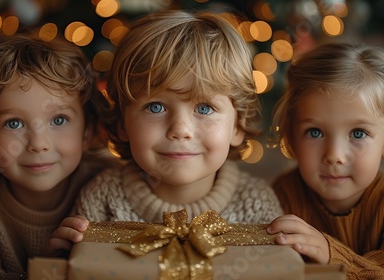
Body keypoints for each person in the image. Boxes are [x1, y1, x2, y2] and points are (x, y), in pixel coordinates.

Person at [46, 9, 284, 255]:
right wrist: (61, 259)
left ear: (237, 126)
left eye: (204, 108)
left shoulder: (257, 203)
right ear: (122, 123)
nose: (180, 130)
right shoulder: (102, 199)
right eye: (155, 107)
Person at [0, 31, 119, 279]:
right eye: (14, 124)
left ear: (86, 132)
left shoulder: (111, 183)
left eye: (59, 120)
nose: (38, 144)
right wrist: (46, 270)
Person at [266, 42, 384, 278]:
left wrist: (331, 254)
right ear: (291, 138)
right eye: (315, 132)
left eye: (358, 133)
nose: (334, 155)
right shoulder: (284, 193)